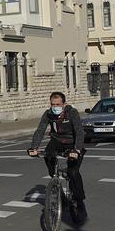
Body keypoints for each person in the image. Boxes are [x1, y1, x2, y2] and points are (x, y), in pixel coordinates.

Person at [27, 91, 87, 219]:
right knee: (48, 155)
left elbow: (79, 131)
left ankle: (79, 202)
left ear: (64, 104)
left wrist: (76, 150)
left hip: (73, 142)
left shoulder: (72, 113)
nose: (55, 107)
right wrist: (34, 147)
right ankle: (55, 179)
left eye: (58, 104)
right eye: (52, 104)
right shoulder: (48, 114)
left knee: (73, 172)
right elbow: (40, 130)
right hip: (57, 141)